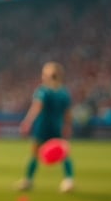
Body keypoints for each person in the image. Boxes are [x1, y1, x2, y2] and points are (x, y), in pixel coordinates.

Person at [16, 61, 74, 192]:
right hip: (57, 126)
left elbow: (37, 107)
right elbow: (68, 113)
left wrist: (27, 122)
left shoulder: (43, 91)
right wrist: (68, 126)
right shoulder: (64, 92)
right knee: (64, 154)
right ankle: (69, 180)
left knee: (35, 153)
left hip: (43, 126)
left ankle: (28, 180)